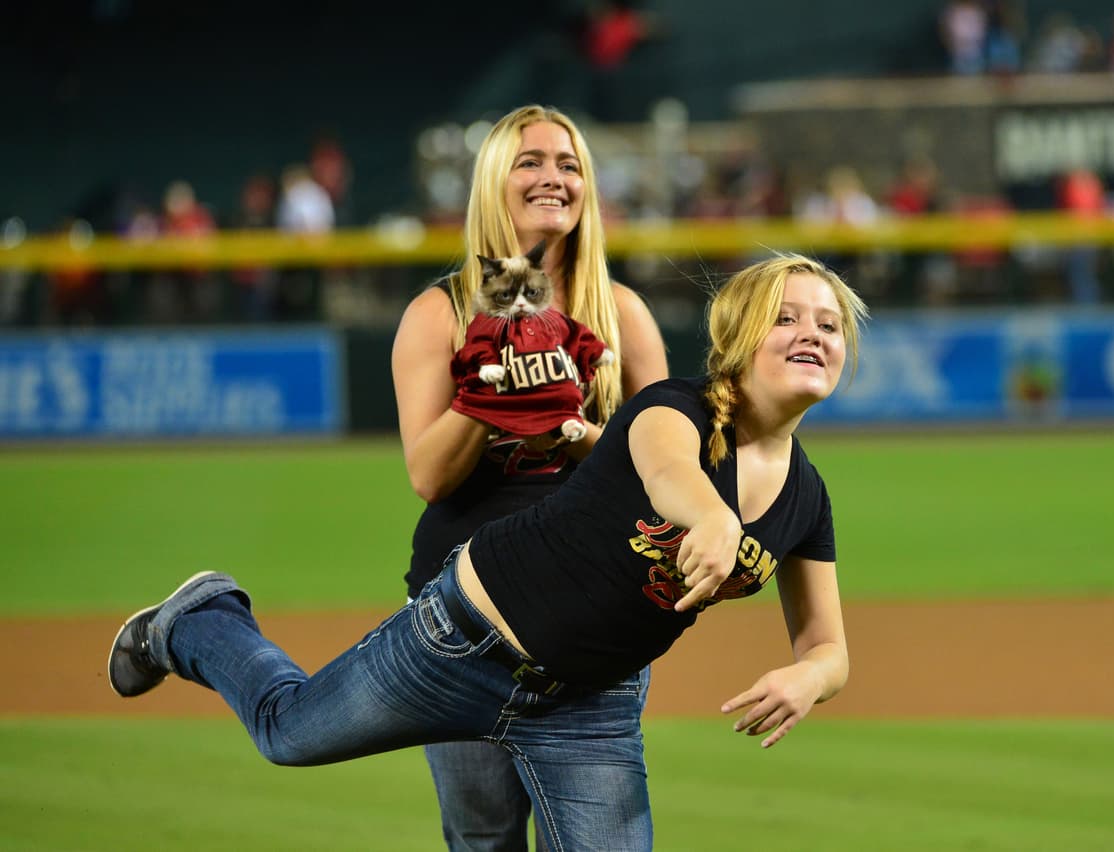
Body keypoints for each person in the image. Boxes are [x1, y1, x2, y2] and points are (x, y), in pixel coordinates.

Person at [107, 252, 868, 851]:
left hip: (589, 707)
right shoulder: (671, 409)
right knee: (287, 731)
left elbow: (829, 645)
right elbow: (670, 473)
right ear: (739, 336)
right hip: (462, 641)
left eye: (830, 326)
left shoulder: (809, 500)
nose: (813, 333)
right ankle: (199, 620)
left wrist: (810, 676)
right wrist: (711, 517)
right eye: (787, 318)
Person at [391, 104, 667, 850]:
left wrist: (572, 433)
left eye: (570, 165)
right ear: (493, 183)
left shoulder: (623, 315)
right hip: (460, 615)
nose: (555, 178)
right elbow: (429, 476)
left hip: (594, 610)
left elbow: (663, 477)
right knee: (482, 840)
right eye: (532, 162)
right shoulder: (438, 312)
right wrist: (491, 391)